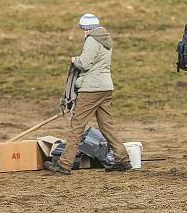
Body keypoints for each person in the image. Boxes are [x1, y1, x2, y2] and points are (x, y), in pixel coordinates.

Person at [44, 14, 131, 175]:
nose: (83, 32)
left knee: (77, 125)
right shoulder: (106, 40)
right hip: (106, 87)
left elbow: (85, 63)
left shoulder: (92, 39)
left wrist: (74, 60)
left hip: (91, 89)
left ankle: (64, 164)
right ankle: (122, 159)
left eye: (83, 29)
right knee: (107, 125)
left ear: (86, 28)